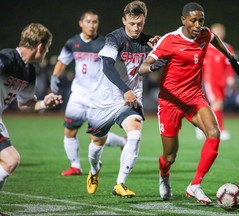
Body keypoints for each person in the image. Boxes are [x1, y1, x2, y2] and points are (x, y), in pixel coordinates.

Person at [139, 2, 239, 203]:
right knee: (170, 156)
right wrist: (154, 66)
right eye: (193, 20)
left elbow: (214, 38)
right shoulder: (169, 40)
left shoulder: (204, 34)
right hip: (170, 102)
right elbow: (142, 67)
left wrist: (231, 59)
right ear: (183, 20)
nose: (198, 24)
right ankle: (164, 174)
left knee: (214, 133)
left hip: (194, 97)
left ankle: (195, 185)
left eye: (201, 20)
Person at [85, 0, 160, 198]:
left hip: (130, 100)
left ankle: (120, 183)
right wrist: (126, 89)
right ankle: (94, 171)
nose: (136, 28)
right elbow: (107, 67)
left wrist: (161, 49)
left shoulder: (148, 42)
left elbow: (158, 62)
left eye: (140, 24)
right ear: (124, 20)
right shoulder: (113, 39)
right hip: (105, 99)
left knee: (135, 134)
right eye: (131, 23)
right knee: (96, 144)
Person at [50, 9, 127, 176]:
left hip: (98, 96)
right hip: (78, 94)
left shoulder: (105, 43)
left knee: (95, 136)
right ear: (81, 23)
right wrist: (55, 76)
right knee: (70, 130)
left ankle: (122, 142)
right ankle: (75, 166)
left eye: (95, 22)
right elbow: (63, 61)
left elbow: (116, 65)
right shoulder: (72, 43)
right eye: (88, 21)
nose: (92, 25)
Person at [0, 23, 63, 191]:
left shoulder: (28, 72)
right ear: (40, 47)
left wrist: (45, 103)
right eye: (48, 47)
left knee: (10, 160)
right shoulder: (6, 59)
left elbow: (25, 104)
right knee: (10, 159)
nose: (48, 51)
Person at [195, 23, 235, 141]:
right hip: (210, 80)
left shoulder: (227, 47)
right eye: (215, 31)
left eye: (220, 31)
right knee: (217, 103)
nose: (218, 33)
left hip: (222, 81)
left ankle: (202, 125)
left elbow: (230, 64)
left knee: (218, 104)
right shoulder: (206, 47)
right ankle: (219, 129)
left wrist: (230, 77)